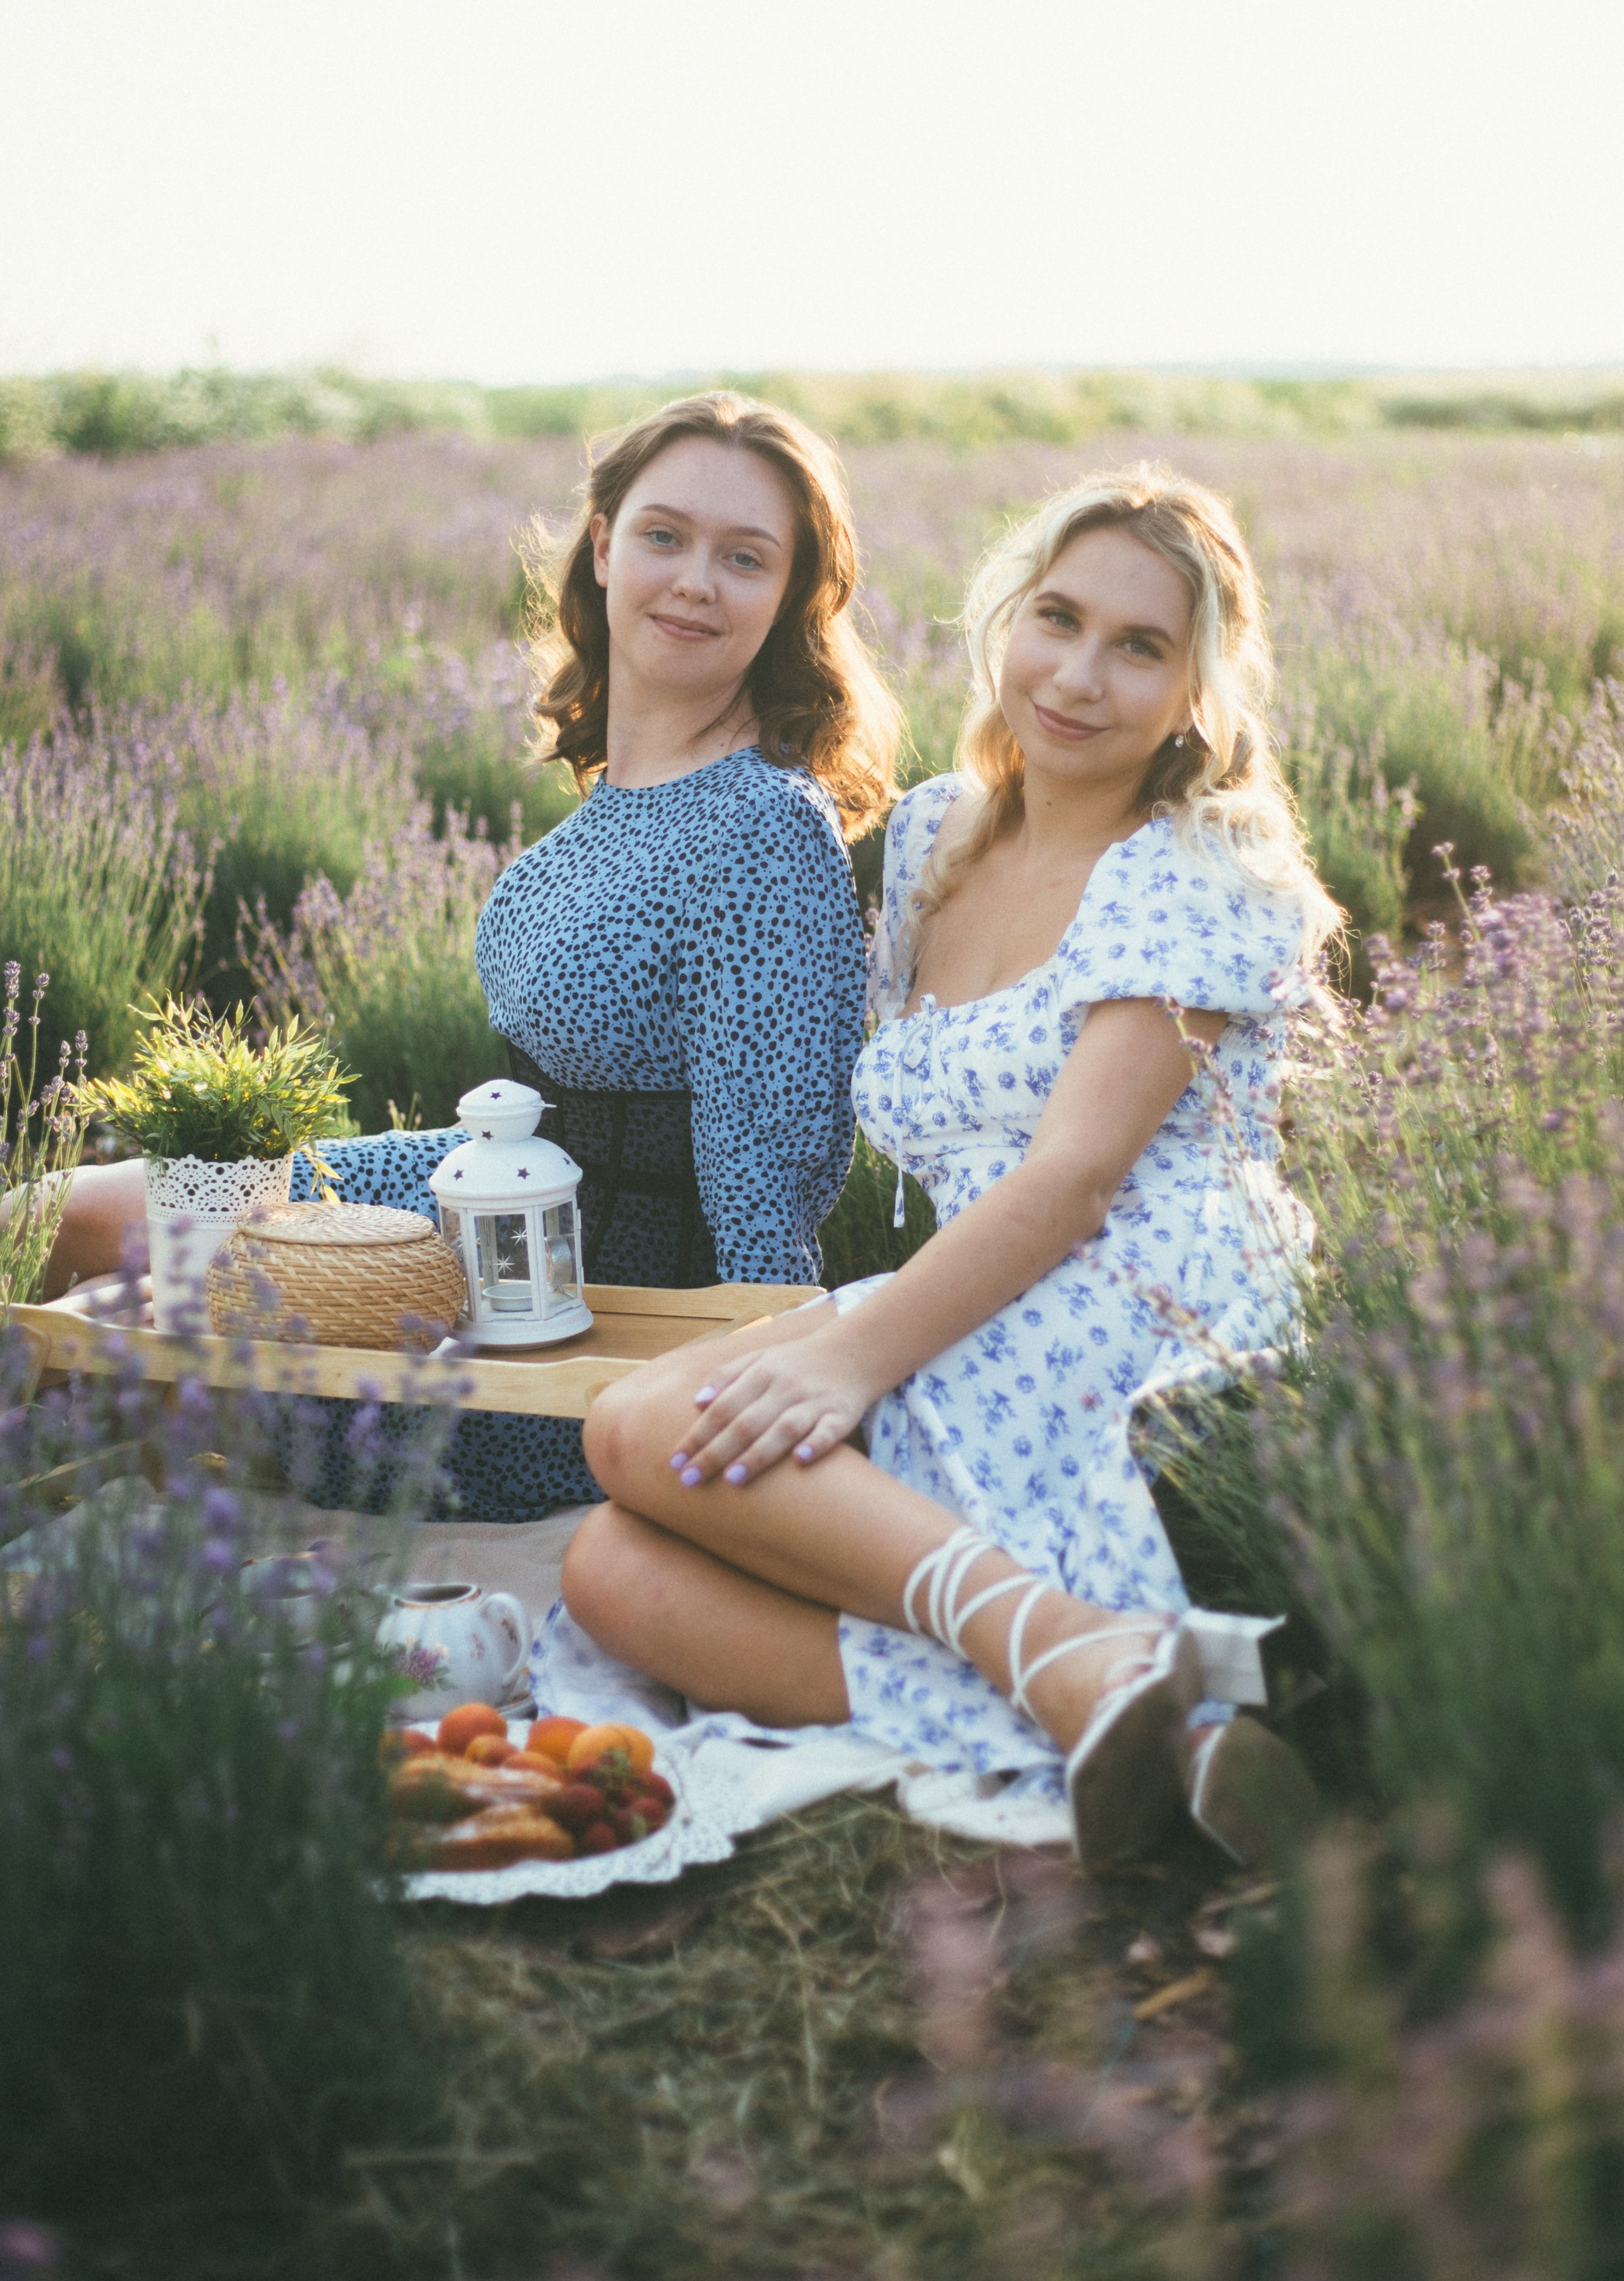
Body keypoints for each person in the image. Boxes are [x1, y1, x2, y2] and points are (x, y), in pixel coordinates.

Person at [550, 466, 1340, 1865]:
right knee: (608, 1561)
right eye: (1059, 618)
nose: (1080, 676)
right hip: (983, 1277)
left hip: (1144, 1285)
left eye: (1140, 648)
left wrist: (850, 1359)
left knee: (638, 1432)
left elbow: (1074, 1183)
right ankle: (1110, 1688)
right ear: (1006, 619)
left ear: (1197, 690)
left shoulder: (1202, 869)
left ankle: (1078, 1668)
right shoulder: (932, 838)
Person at [36, 390, 901, 1518]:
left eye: (744, 557)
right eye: (664, 535)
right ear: (602, 545)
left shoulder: (760, 828)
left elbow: (765, 1195)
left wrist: (756, 1441)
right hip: (477, 1196)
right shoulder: (627, 795)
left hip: (565, 1303)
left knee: (93, 1235)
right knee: (75, 1220)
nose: (695, 579)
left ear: (789, 596)